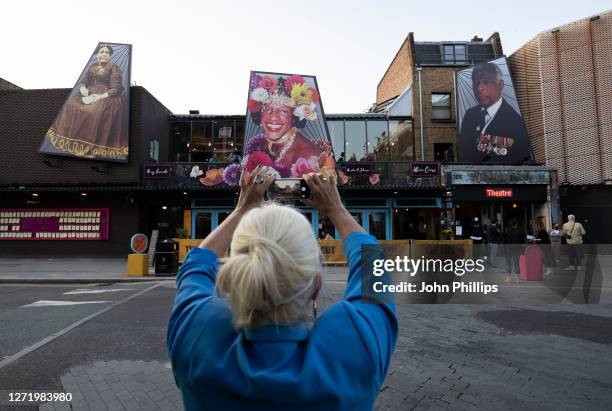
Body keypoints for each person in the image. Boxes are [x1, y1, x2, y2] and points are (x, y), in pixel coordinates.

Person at [167, 167, 398, 410]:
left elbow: (196, 263)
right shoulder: (353, 345)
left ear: (240, 274)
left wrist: (241, 209)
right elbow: (374, 265)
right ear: (315, 286)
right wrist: (335, 208)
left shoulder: (199, 336)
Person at [43, 43, 128, 159]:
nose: (104, 54)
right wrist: (83, 88)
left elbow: (116, 88)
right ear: (97, 54)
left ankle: (90, 146)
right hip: (90, 92)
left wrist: (98, 97)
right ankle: (70, 140)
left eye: (107, 52)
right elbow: (84, 80)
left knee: (93, 111)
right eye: (102, 52)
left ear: (110, 55)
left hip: (107, 95)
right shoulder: (92, 66)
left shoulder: (113, 67)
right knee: (70, 104)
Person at [245, 74, 335, 177]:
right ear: (259, 115)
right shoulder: (257, 145)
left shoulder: (309, 155)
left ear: (294, 116)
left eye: (283, 111)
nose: (274, 117)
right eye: (266, 109)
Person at [458, 62, 531, 163]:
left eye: (486, 82)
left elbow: (516, 158)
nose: (479, 88)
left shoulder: (515, 122)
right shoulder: (470, 115)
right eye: (476, 82)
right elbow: (463, 153)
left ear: (500, 85)